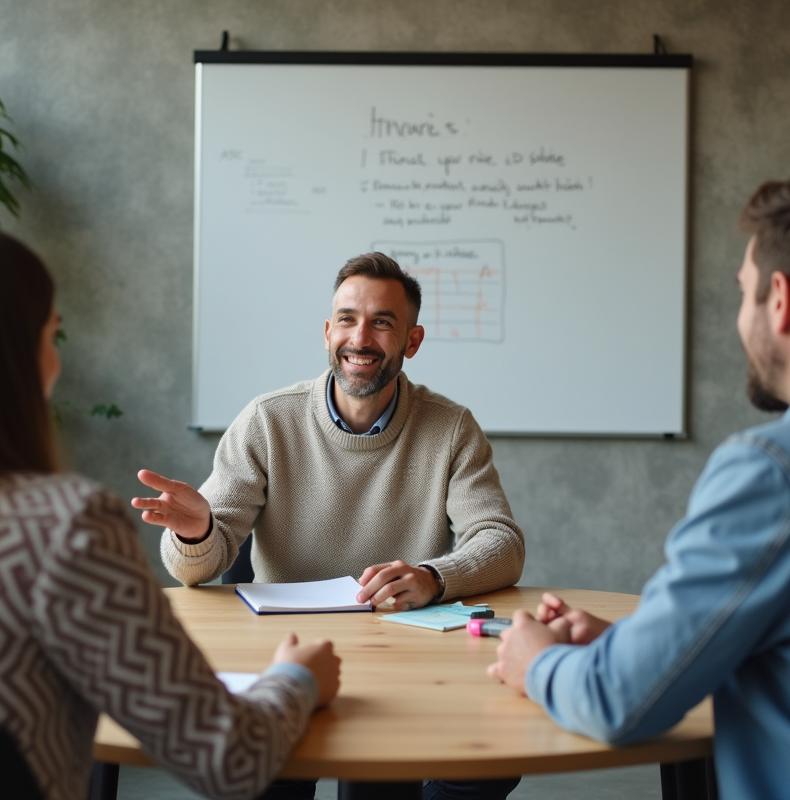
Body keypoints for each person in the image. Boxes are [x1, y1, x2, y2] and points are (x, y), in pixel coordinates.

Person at [0, 224, 340, 800]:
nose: (56, 363)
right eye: (50, 335)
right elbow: (229, 759)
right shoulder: (63, 528)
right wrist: (296, 679)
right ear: (11, 355)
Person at [490, 170, 790, 800]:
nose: (739, 317)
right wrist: (639, 648)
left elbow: (618, 704)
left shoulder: (781, 471)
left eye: (743, 293)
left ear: (781, 299)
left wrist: (538, 662)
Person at [136, 252, 525, 799]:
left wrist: (435, 577)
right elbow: (194, 568)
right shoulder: (268, 420)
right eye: (347, 318)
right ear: (326, 332)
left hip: (403, 661)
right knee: (266, 777)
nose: (360, 338)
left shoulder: (451, 428)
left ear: (412, 341)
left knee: (476, 767)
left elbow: (501, 543)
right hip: (285, 651)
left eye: (382, 322)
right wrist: (198, 533)